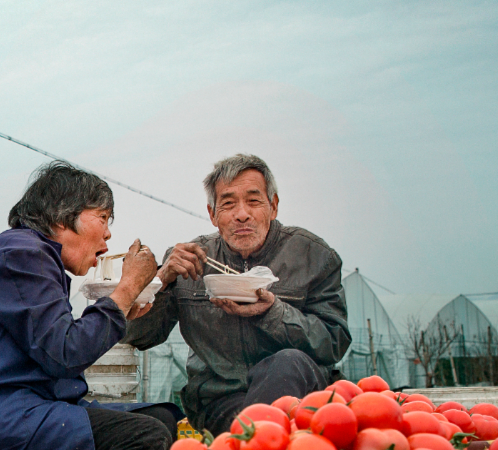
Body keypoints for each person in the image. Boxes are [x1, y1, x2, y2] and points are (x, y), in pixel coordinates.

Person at [0, 161, 180, 450]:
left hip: (15, 409)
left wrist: (122, 308)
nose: (108, 234)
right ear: (62, 217)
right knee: (144, 437)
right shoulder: (20, 254)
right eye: (102, 217)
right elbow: (65, 353)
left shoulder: (27, 256)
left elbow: (57, 344)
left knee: (162, 418)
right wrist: (124, 291)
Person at [125, 153, 351, 434]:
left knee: (287, 362)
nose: (241, 214)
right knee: (250, 428)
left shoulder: (313, 256)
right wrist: (161, 281)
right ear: (212, 214)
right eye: (228, 204)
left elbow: (335, 341)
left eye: (253, 201)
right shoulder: (189, 260)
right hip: (222, 398)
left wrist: (273, 312)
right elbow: (137, 336)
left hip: (303, 395)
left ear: (273, 206)